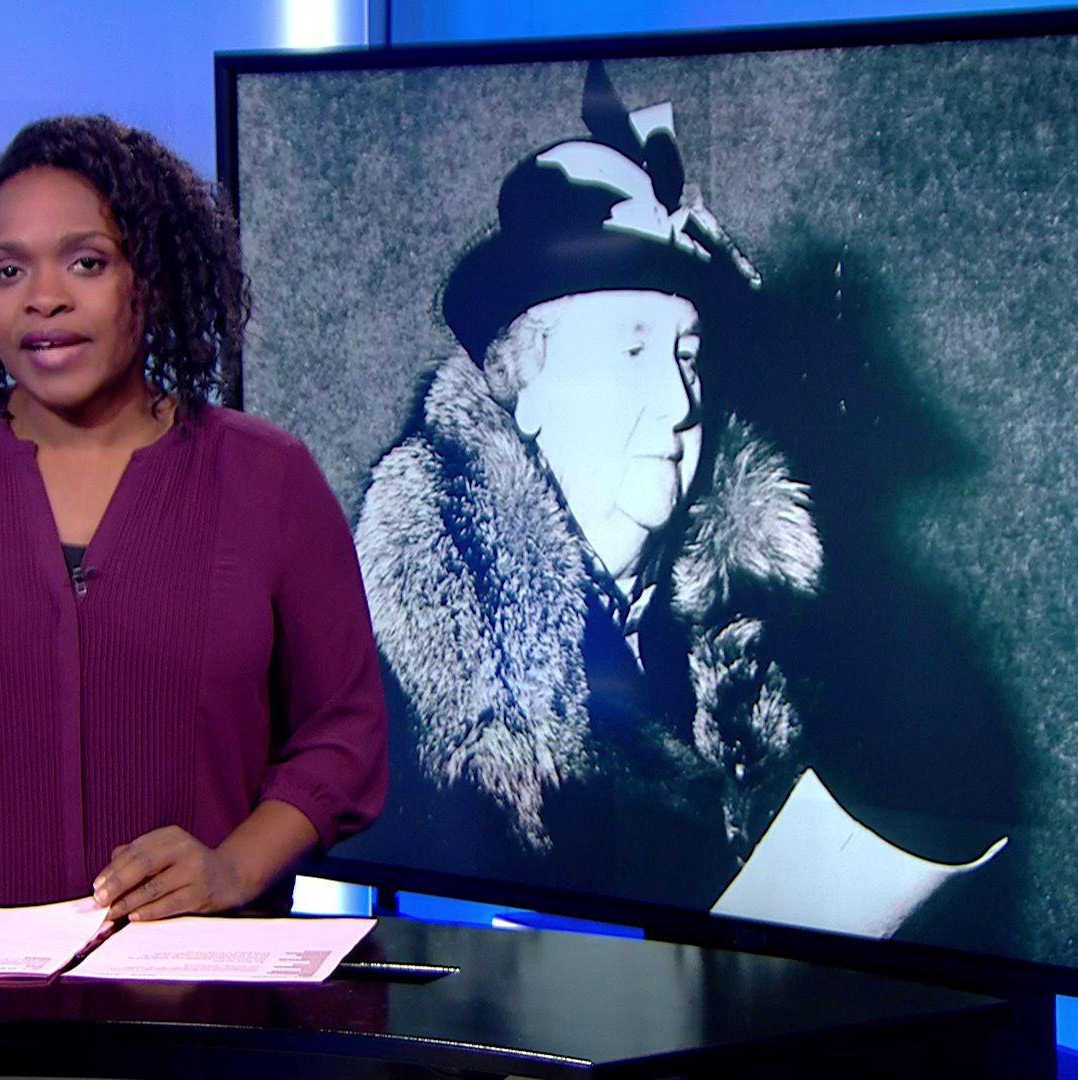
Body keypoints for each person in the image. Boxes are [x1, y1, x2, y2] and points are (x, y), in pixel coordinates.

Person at [351, 64, 1003, 929]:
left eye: (686, 355)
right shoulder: (394, 650)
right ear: (522, 387)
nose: (679, 401)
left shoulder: (766, 629)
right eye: (631, 352)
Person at [0, 115, 386, 923]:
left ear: (150, 277)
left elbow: (340, 738)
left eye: (87, 262)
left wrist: (233, 869)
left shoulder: (268, 477)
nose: (45, 298)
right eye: (7, 271)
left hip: (196, 976)